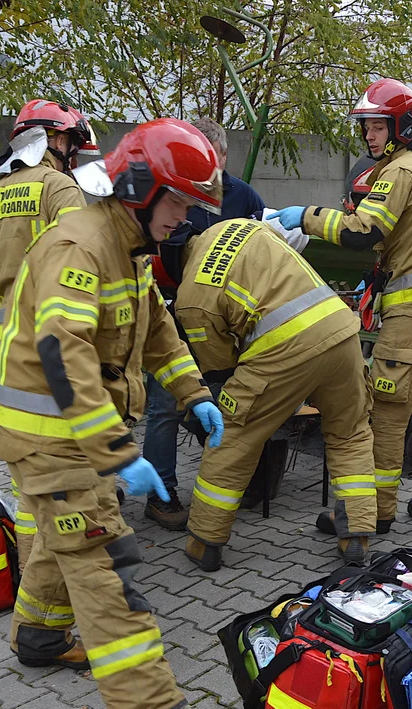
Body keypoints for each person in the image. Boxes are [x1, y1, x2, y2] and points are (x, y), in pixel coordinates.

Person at [0, 118, 225, 707]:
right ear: (142, 188)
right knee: (107, 574)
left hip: (70, 438)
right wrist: (117, 453)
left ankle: (39, 636)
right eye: (178, 202)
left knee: (55, 539)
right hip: (53, 441)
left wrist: (193, 394)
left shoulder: (130, 245)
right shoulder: (82, 245)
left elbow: (157, 332)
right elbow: (61, 351)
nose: (185, 219)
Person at [275, 78, 412, 531]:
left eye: (378, 126)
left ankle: (375, 513)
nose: (369, 136)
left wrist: (304, 216)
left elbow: (364, 230)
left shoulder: (400, 170)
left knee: (386, 408)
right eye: (365, 127)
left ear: (400, 126)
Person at [175, 217, 375, 570]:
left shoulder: (190, 296)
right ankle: (354, 533)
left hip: (282, 350)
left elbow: (219, 367)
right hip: (340, 329)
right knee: (350, 432)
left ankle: (205, 540)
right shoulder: (239, 226)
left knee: (232, 437)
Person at [0, 98, 98, 571]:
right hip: (56, 345)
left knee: (26, 474)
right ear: (55, 140)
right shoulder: (58, 187)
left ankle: (27, 571)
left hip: (8, 352)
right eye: (71, 142)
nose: (73, 153)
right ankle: (60, 577)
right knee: (67, 467)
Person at [142, 118, 265, 531]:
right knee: (163, 408)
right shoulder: (176, 192)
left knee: (220, 399)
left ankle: (230, 480)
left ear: (225, 156)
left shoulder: (245, 198)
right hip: (173, 316)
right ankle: (162, 494)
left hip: (224, 324)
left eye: (211, 158)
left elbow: (258, 253)